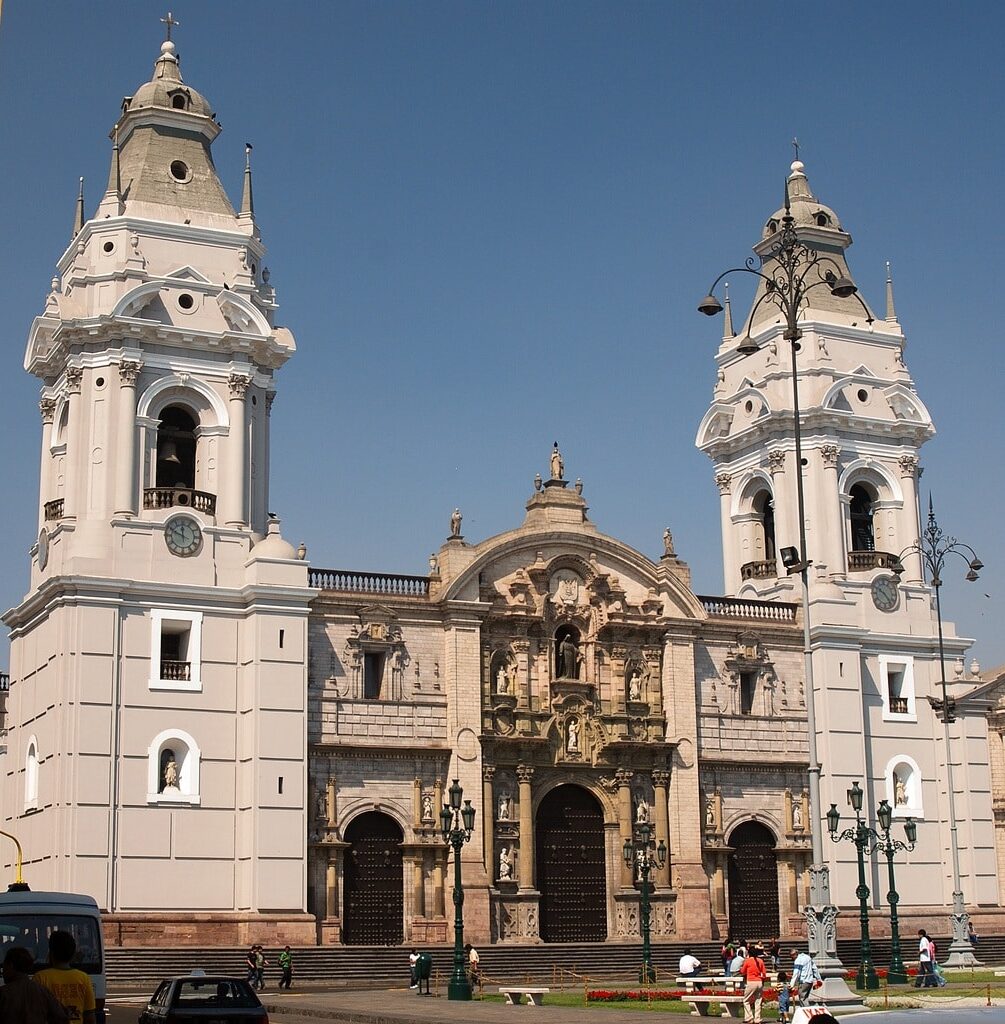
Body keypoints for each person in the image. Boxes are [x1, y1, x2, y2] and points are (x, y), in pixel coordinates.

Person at [34, 931, 96, 1024]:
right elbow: (89, 1015)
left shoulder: (40, 978)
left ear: (51, 952)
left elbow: (35, 1013)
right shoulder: (83, 978)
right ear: (73, 954)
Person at [0, 946, 69, 1024]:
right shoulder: (42, 991)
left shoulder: (3, 993)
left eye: (4, 966)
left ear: (11, 965)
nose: (3, 971)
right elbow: (61, 1017)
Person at [739, 944, 767, 1024]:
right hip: (759, 982)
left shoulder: (748, 961)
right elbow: (764, 973)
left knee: (746, 1000)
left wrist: (741, 969)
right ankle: (757, 1019)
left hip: (751, 981)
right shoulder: (760, 961)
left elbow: (743, 971)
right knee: (758, 1001)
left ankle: (749, 1017)